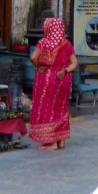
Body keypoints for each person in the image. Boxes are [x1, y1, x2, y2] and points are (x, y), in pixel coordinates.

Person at [28, 17, 77, 150]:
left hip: (47, 80)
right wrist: (65, 70)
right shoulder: (66, 44)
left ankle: (51, 142)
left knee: (47, 110)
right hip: (63, 80)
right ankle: (61, 140)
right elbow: (74, 63)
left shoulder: (43, 43)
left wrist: (38, 66)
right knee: (61, 109)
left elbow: (33, 57)